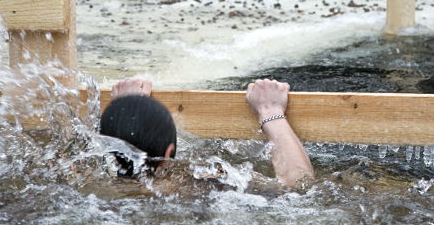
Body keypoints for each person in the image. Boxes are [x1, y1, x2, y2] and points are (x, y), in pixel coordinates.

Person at [100, 77, 314, 188]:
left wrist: (124, 111)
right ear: (168, 154)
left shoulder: (91, 187)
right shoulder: (194, 184)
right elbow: (297, 186)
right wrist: (270, 111)